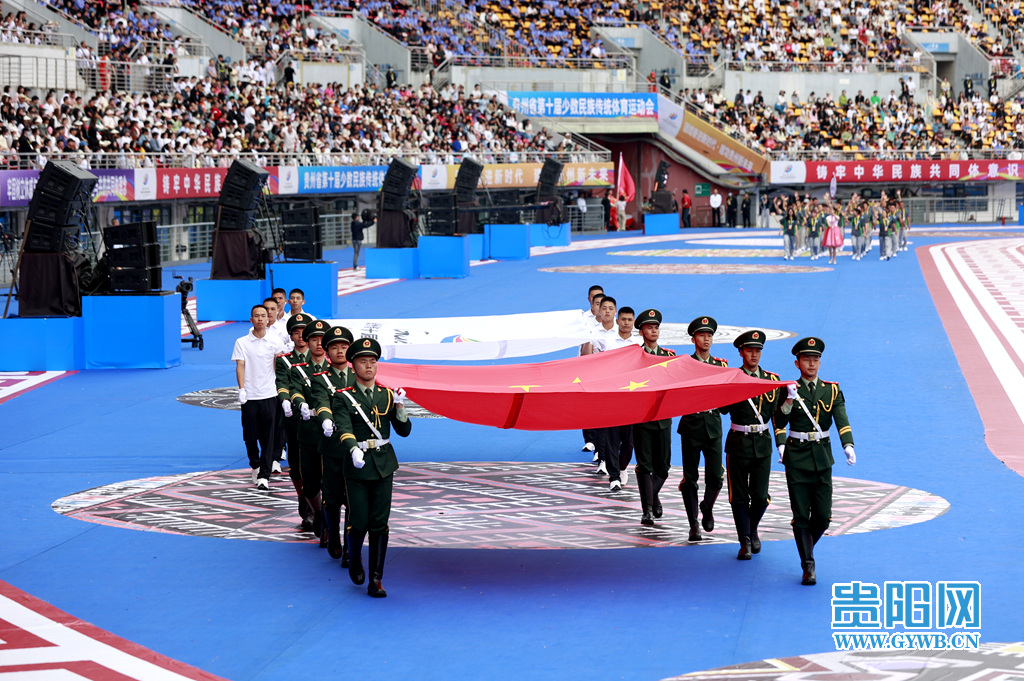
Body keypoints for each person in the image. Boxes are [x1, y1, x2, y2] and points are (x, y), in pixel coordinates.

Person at [333, 337, 412, 598]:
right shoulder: (344, 397)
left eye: (372, 361)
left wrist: (400, 408)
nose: (368, 366)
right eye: (362, 361)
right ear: (353, 366)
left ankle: (376, 579)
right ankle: (354, 559)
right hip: (357, 464)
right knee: (358, 520)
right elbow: (343, 427)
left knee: (380, 522)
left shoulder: (386, 395)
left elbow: (404, 431)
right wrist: (353, 448)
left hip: (384, 464)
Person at [775, 337, 856, 586]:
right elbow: (778, 421)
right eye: (807, 359)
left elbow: (841, 418)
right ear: (797, 362)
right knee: (801, 514)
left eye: (816, 359)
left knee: (822, 517)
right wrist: (788, 401)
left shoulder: (831, 390)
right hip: (797, 456)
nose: (812, 363)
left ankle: (805, 544)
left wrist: (848, 445)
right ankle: (808, 564)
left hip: (822, 456)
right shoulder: (789, 389)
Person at [719, 330, 786, 560]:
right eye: (750, 350)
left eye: (758, 351)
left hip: (762, 444)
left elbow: (778, 416)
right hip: (738, 442)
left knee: (760, 497)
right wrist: (722, 388)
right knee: (738, 497)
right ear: (741, 352)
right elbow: (722, 409)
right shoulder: (732, 378)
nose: (754, 355)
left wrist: (781, 443)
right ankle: (745, 540)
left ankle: (751, 528)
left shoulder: (772, 380)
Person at [677, 316, 728, 543]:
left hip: (713, 427)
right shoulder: (685, 364)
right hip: (691, 426)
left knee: (716, 477)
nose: (706, 339)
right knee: (690, 478)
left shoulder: (721, 365)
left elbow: (727, 399)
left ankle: (707, 506)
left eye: (709, 335)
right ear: (693, 339)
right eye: (701, 335)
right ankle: (693, 524)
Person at [312, 325, 357, 565]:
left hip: (355, 447)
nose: (340, 351)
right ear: (327, 353)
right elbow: (320, 401)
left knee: (353, 498)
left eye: (344, 347)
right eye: (335, 347)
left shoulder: (358, 375)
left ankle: (350, 546)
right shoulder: (321, 379)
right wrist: (326, 417)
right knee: (331, 496)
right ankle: (333, 537)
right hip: (332, 446)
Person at [231, 304, 284, 490]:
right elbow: (240, 366)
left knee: (268, 436)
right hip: (250, 395)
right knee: (249, 435)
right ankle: (255, 464)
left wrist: (281, 389)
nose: (260, 318)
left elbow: (279, 365)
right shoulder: (242, 342)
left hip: (270, 394)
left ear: (268, 318)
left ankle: (264, 475)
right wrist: (242, 388)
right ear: (251, 319)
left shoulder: (275, 341)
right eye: (256, 316)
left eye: (263, 315)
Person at [289, 319, 332, 545]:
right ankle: (317, 513)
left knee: (331, 483)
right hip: (308, 429)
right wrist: (300, 404)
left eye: (322, 339)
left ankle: (327, 522)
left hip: (332, 432)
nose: (318, 344)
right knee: (310, 484)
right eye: (313, 339)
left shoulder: (336, 370)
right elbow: (294, 390)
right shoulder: (299, 370)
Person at [632, 309, 675, 525]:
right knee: (644, 466)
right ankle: (647, 509)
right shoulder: (634, 356)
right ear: (641, 332)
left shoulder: (669, 356)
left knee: (663, 468)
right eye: (649, 327)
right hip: (641, 418)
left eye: (656, 327)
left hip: (663, 417)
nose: (654, 331)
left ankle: (652, 496)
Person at [581, 295, 628, 489]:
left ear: (615, 312)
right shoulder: (593, 333)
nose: (607, 311)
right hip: (602, 387)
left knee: (627, 439)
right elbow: (585, 357)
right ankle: (607, 465)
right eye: (604, 307)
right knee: (604, 428)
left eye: (611, 308)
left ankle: (619, 465)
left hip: (624, 391)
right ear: (598, 311)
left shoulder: (623, 336)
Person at [276, 313, 314, 529]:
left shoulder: (320, 360)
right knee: (297, 467)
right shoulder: (285, 361)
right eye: (296, 333)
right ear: (290, 336)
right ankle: (304, 500)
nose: (300, 337)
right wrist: (285, 400)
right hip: (294, 420)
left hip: (317, 421)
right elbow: (282, 382)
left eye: (304, 333)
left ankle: (315, 506)